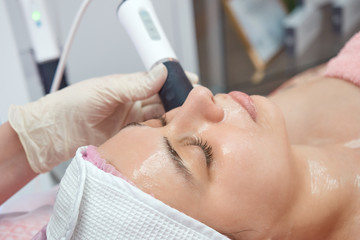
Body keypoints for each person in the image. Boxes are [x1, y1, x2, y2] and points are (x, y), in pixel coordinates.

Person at [1, 31, 360, 239]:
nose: (198, 99)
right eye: (201, 152)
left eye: (160, 123)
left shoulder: (274, 130)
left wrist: (30, 138)